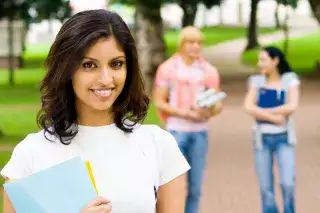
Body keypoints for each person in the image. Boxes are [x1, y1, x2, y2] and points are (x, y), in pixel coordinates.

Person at [1, 10, 191, 213]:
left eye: (116, 64)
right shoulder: (31, 154)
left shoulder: (158, 145)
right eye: (89, 65)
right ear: (66, 69)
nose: (106, 79)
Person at [153, 26, 222, 213]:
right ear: (182, 44)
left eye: (199, 43)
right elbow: (159, 102)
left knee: (195, 187)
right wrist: (185, 114)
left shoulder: (208, 71)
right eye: (191, 42)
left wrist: (209, 111)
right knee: (170, 185)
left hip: (200, 133)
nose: (195, 47)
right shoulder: (168, 69)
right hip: (176, 132)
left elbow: (217, 103)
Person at [244, 46, 300, 213]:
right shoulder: (256, 81)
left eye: (263, 60)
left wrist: (261, 112)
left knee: (288, 183)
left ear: (275, 61)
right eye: (259, 60)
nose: (259, 64)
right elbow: (248, 106)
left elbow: (292, 105)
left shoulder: (289, 80)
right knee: (266, 187)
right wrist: (274, 117)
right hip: (262, 139)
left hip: (284, 138)